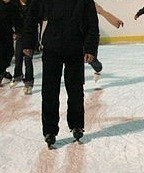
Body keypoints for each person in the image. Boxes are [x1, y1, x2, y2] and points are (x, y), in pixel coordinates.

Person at [22, 0, 99, 147]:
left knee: (76, 90)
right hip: (51, 47)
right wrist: (28, 42)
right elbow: (31, 17)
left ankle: (77, 125)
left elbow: (91, 22)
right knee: (49, 91)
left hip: (75, 47)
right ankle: (49, 131)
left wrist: (90, 48)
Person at [91, 2, 124, 82]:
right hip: (76, 35)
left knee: (92, 60)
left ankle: (98, 69)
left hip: (91, 35)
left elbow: (103, 12)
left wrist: (115, 20)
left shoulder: (90, 3)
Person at [10, 0, 34, 94]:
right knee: (18, 57)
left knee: (28, 60)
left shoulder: (33, 5)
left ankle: (28, 83)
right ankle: (17, 76)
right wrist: (13, 32)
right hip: (20, 36)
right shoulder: (14, 6)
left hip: (29, 37)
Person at [0, 0, 20, 86]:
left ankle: (2, 72)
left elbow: (16, 20)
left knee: (9, 53)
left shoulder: (13, 6)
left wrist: (17, 32)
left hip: (7, 34)